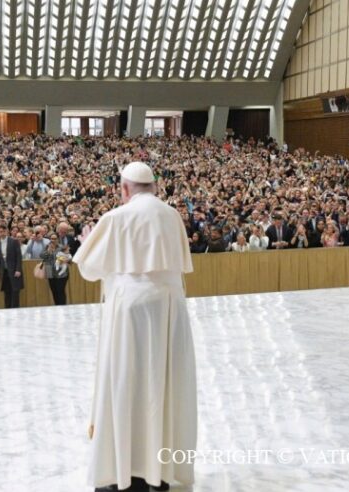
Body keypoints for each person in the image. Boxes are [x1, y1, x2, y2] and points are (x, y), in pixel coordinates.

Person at [73, 162, 197, 492]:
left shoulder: (116, 217)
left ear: (124, 189)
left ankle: (122, 471)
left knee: (126, 383)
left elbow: (88, 268)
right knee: (164, 385)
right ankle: (159, 472)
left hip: (131, 310)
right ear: (154, 187)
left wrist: (88, 241)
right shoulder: (172, 216)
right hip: (170, 307)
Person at [0, 224, 23, 308]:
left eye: (3, 231)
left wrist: (18, 269)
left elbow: (19, 256)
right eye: (0, 232)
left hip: (14, 270)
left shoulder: (13, 241)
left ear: (7, 231)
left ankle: (15, 309)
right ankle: (7, 309)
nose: (2, 233)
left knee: (15, 291)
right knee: (6, 291)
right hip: (4, 271)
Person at [40, 236, 71, 305]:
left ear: (58, 239)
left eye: (55, 239)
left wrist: (65, 258)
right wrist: (48, 251)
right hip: (50, 273)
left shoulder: (62, 247)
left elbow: (69, 260)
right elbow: (41, 256)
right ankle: (57, 306)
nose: (53, 240)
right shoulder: (47, 247)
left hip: (61, 274)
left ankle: (62, 306)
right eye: (51, 239)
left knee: (60, 291)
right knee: (54, 291)